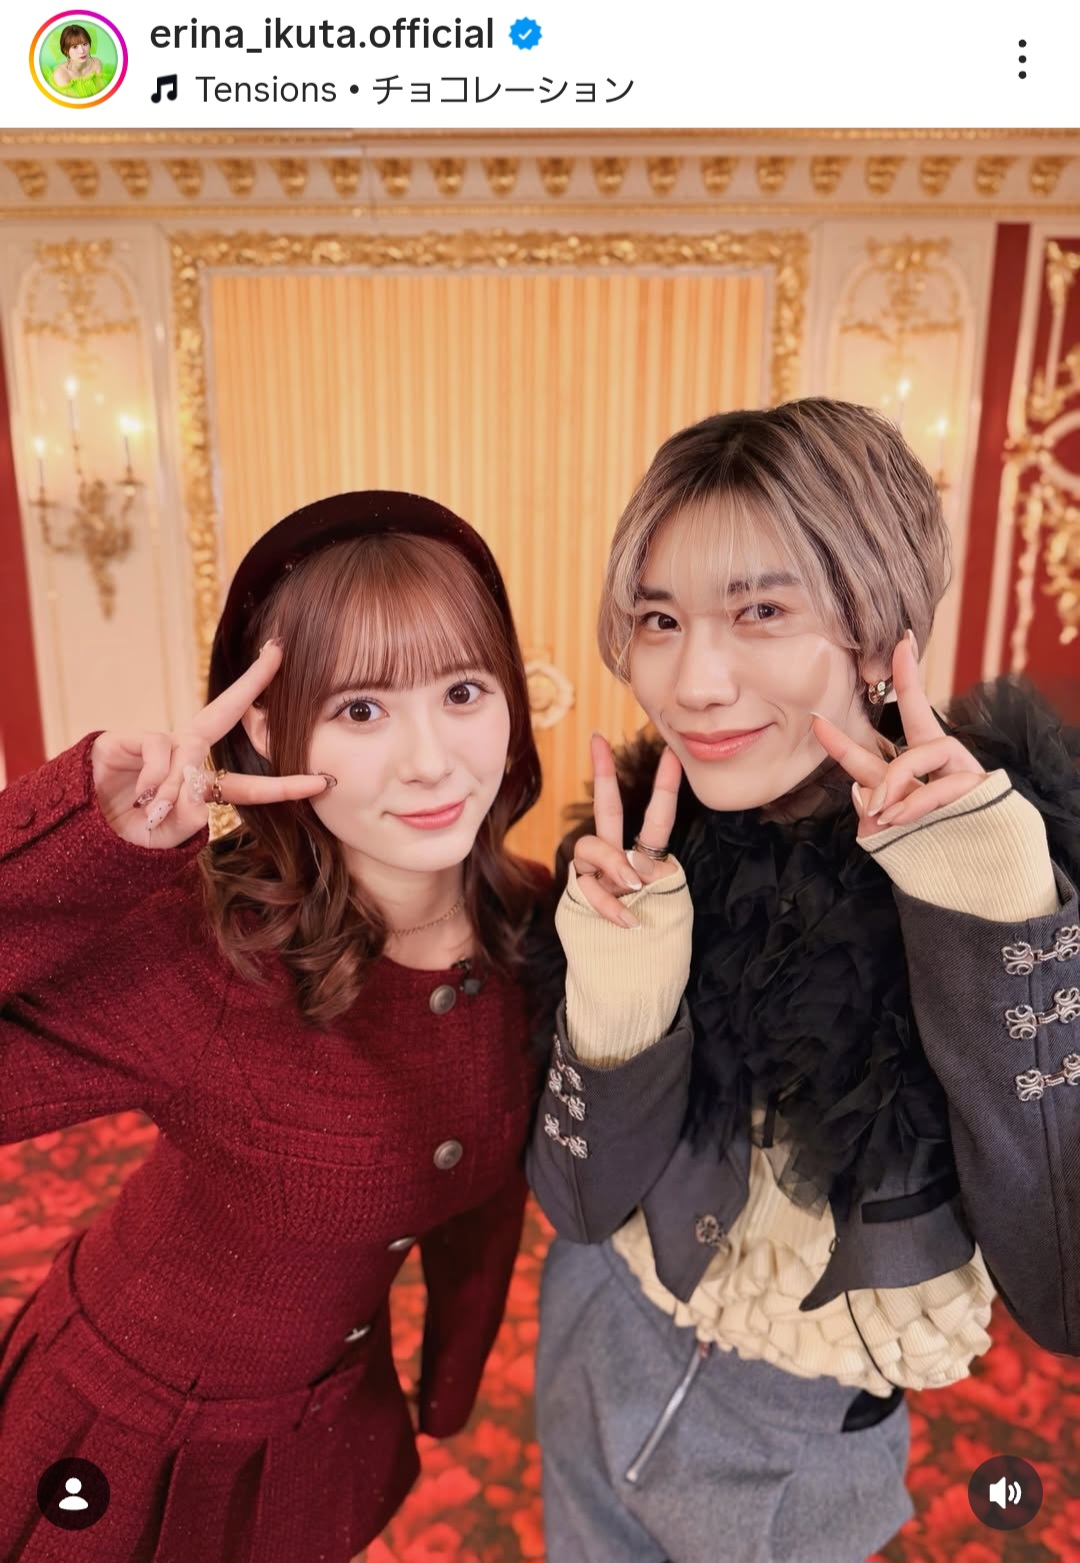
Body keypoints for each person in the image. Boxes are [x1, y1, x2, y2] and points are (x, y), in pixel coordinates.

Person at [527, 399, 1080, 1563]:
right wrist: (623, 986)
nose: (692, 682)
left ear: (881, 639)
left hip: (801, 1441)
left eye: (762, 612)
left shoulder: (1024, 870)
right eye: (660, 619)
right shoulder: (643, 855)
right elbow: (576, 1206)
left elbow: (1063, 1290)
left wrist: (991, 919)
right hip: (596, 1332)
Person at [0, 491, 551, 1562]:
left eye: (463, 691)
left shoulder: (531, 921)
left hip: (322, 1430)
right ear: (265, 727)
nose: (431, 760)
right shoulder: (207, 945)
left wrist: (450, 1375)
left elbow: (493, 1192)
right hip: (126, 1428)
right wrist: (84, 843)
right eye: (361, 709)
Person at [50, 24, 113, 98]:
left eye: (85, 44)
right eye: (75, 47)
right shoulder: (61, 74)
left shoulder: (96, 64)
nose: (82, 51)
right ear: (65, 51)